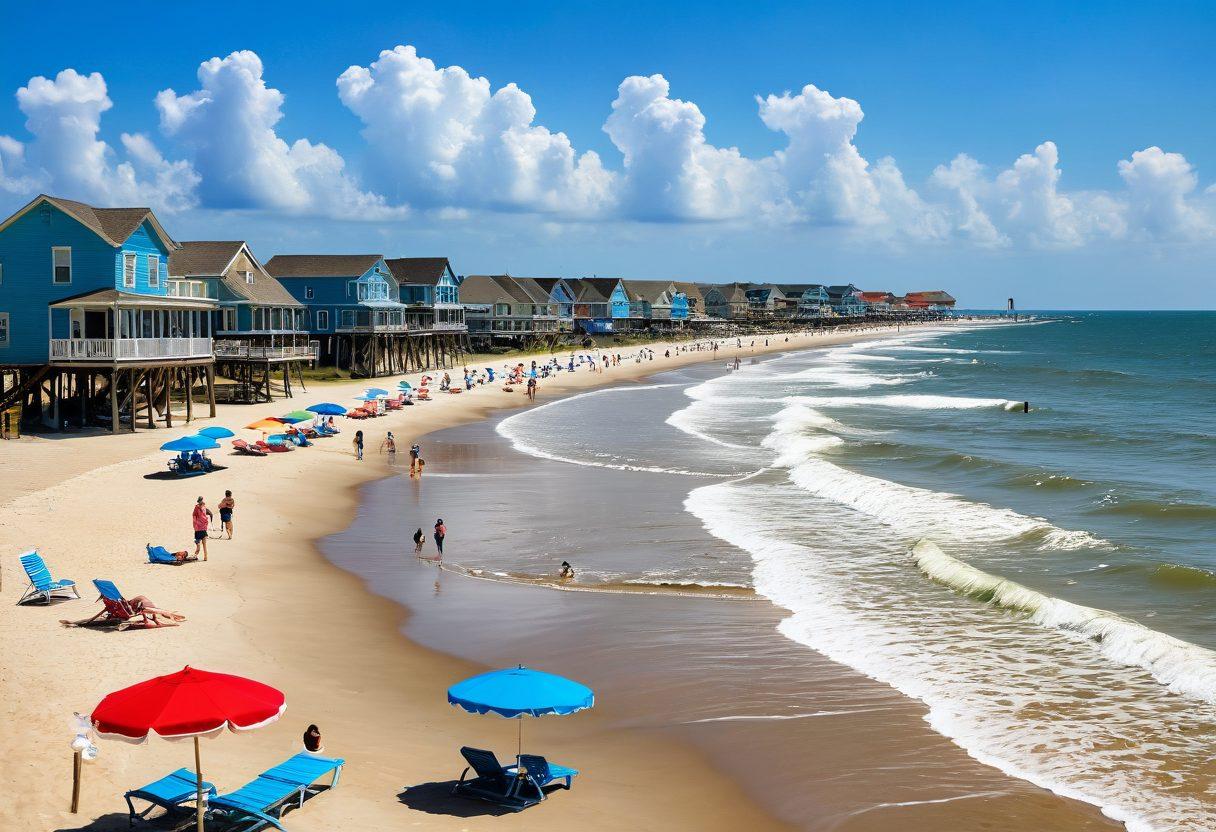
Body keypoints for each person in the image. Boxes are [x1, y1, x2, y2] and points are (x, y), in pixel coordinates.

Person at [192, 497, 212, 561]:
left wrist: (194, 526)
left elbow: (194, 517)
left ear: (198, 501)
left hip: (198, 528)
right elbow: (210, 513)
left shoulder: (196, 508)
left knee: (198, 544)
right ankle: (205, 557)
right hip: (203, 528)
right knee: (204, 545)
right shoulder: (204, 507)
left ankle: (195, 555)